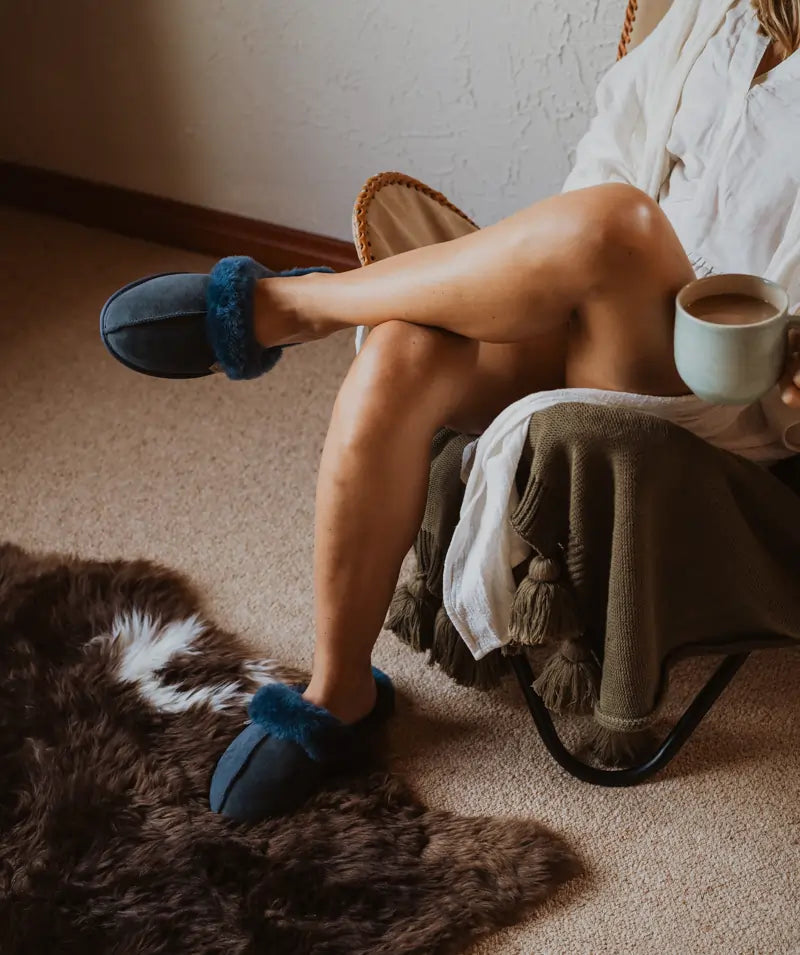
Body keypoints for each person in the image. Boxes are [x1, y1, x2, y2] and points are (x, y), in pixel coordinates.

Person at [100, 0, 800, 821]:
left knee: (619, 227)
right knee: (406, 347)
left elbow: (612, 220)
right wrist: (546, 276)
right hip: (607, 307)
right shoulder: (717, 15)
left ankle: (294, 305)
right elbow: (605, 162)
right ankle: (338, 692)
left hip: (731, 388)